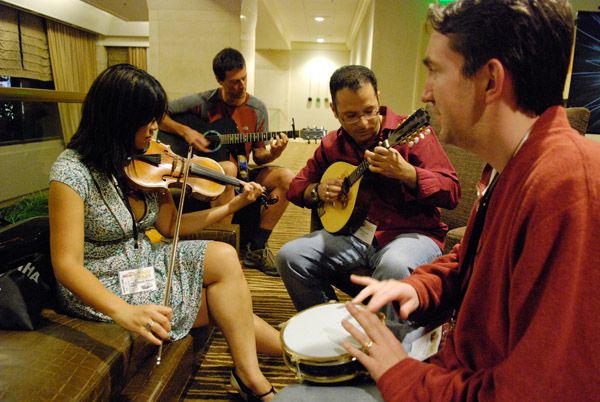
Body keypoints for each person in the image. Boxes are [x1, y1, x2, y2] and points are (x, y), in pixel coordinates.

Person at [276, 0, 600, 401]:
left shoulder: (568, 188)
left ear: (490, 80)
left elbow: (538, 391)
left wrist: (401, 375)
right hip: (447, 356)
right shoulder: (511, 168)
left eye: (435, 71)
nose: (425, 92)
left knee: (293, 398)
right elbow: (470, 258)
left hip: (451, 378)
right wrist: (418, 287)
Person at [48, 64, 280, 402]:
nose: (155, 129)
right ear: (119, 118)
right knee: (224, 304)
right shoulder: (71, 173)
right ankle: (275, 363)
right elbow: (66, 264)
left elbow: (170, 227)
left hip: (144, 262)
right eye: (148, 120)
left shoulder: (141, 159)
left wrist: (231, 206)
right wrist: (122, 311)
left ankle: (256, 371)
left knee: (224, 256)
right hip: (103, 282)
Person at [275, 64, 459, 336]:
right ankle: (330, 333)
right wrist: (319, 190)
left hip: (412, 234)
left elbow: (452, 191)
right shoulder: (332, 145)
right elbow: (296, 187)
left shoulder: (409, 133)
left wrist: (408, 173)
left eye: (369, 111)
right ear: (334, 111)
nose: (363, 123)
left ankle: (390, 350)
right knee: (290, 256)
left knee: (394, 265)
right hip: (356, 236)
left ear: (378, 98)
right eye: (350, 116)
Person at [159, 47, 294, 276]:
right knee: (228, 169)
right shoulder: (202, 102)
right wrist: (185, 131)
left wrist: (275, 152)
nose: (242, 86)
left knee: (287, 177)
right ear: (219, 80)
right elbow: (159, 115)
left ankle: (257, 248)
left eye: (244, 78)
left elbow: (259, 156)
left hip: (243, 171)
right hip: (207, 171)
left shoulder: (257, 109)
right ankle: (220, 248)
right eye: (234, 82)